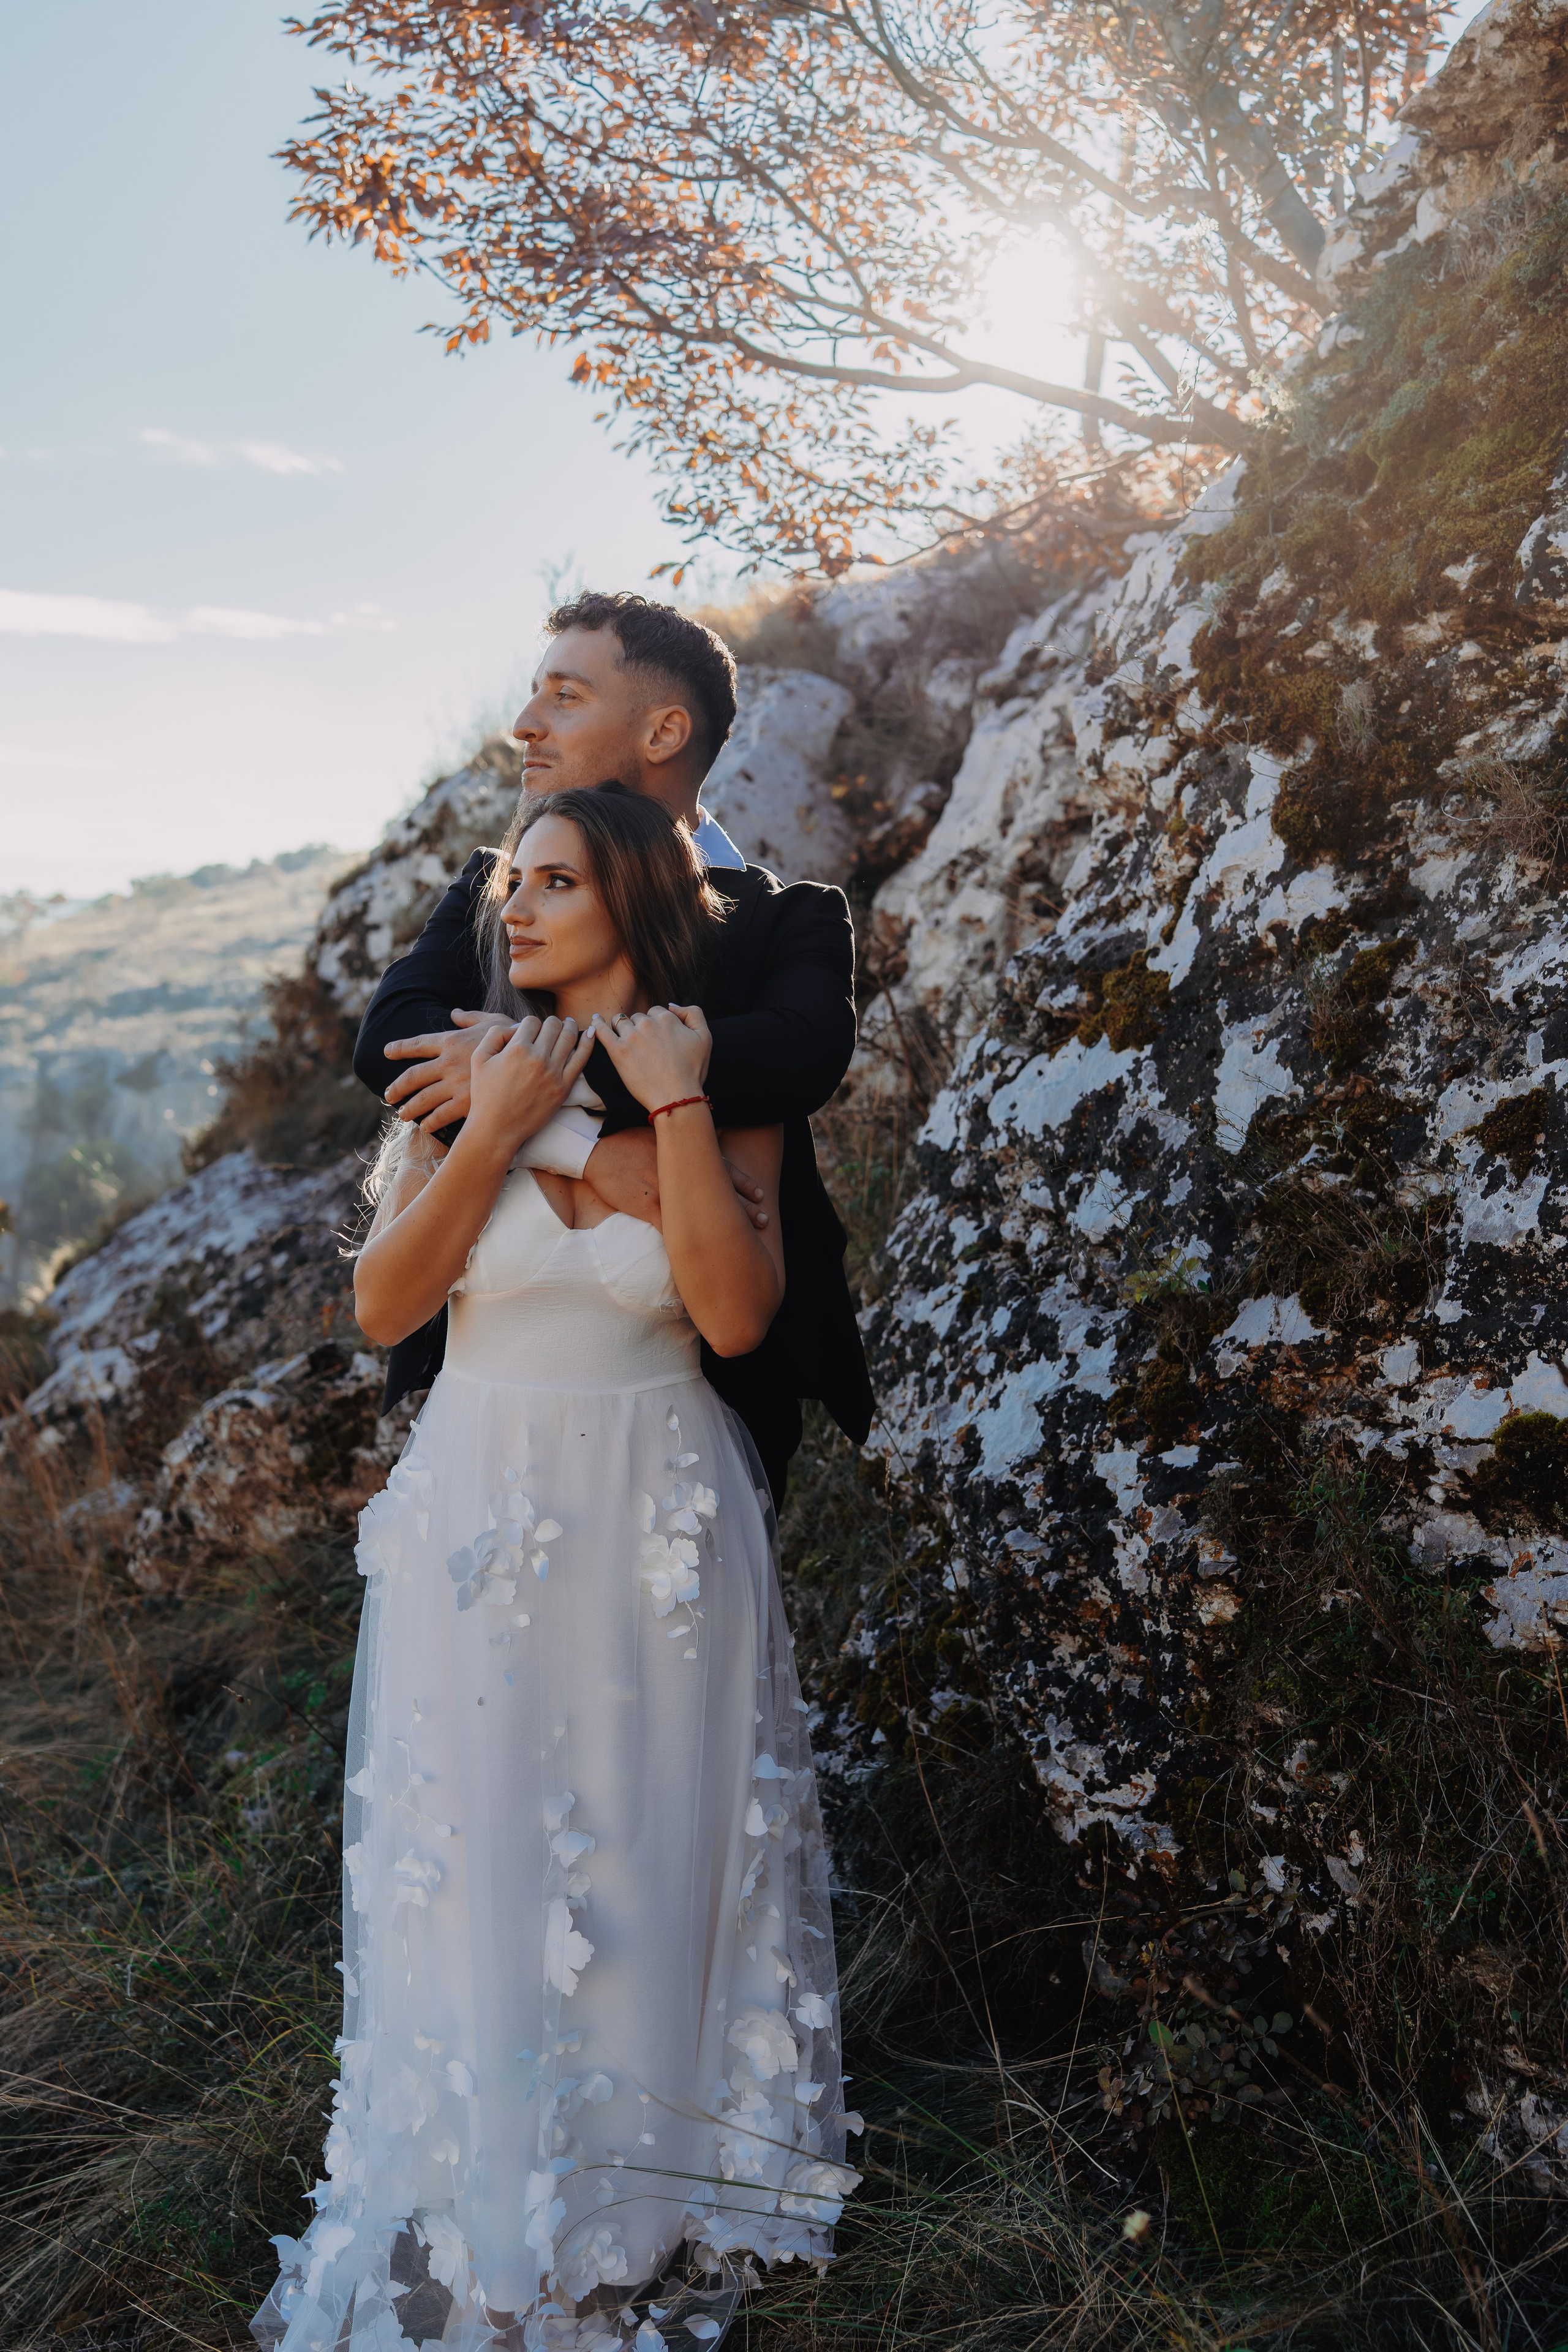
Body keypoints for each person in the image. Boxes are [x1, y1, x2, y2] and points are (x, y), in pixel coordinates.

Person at [254, 786, 859, 2352]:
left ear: (634, 898)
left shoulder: (708, 1073)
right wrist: (506, 1128)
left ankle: (636, 2203)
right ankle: (487, 2200)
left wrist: (653, 1112)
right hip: (479, 1503)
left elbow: (733, 1315)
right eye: (510, 881)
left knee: (648, 1843)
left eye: (553, 882)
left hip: (658, 1506)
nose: (512, 905)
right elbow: (387, 1305)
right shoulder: (468, 1068)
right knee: (480, 1853)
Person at [352, 592, 872, 1510]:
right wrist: (583, 1148)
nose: (525, 724)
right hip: (496, 1398)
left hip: (709, 1410)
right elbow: (393, 1045)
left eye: (565, 696)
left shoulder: (789, 920)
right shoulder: (496, 890)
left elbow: (795, 1058)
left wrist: (527, 1070)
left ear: (664, 731)